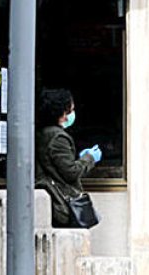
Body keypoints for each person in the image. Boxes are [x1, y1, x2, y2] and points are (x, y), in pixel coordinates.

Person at [35, 88, 101, 228]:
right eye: (70, 109)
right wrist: (89, 158)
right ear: (63, 113)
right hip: (62, 203)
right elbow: (71, 172)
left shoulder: (41, 133)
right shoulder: (58, 137)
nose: (72, 113)